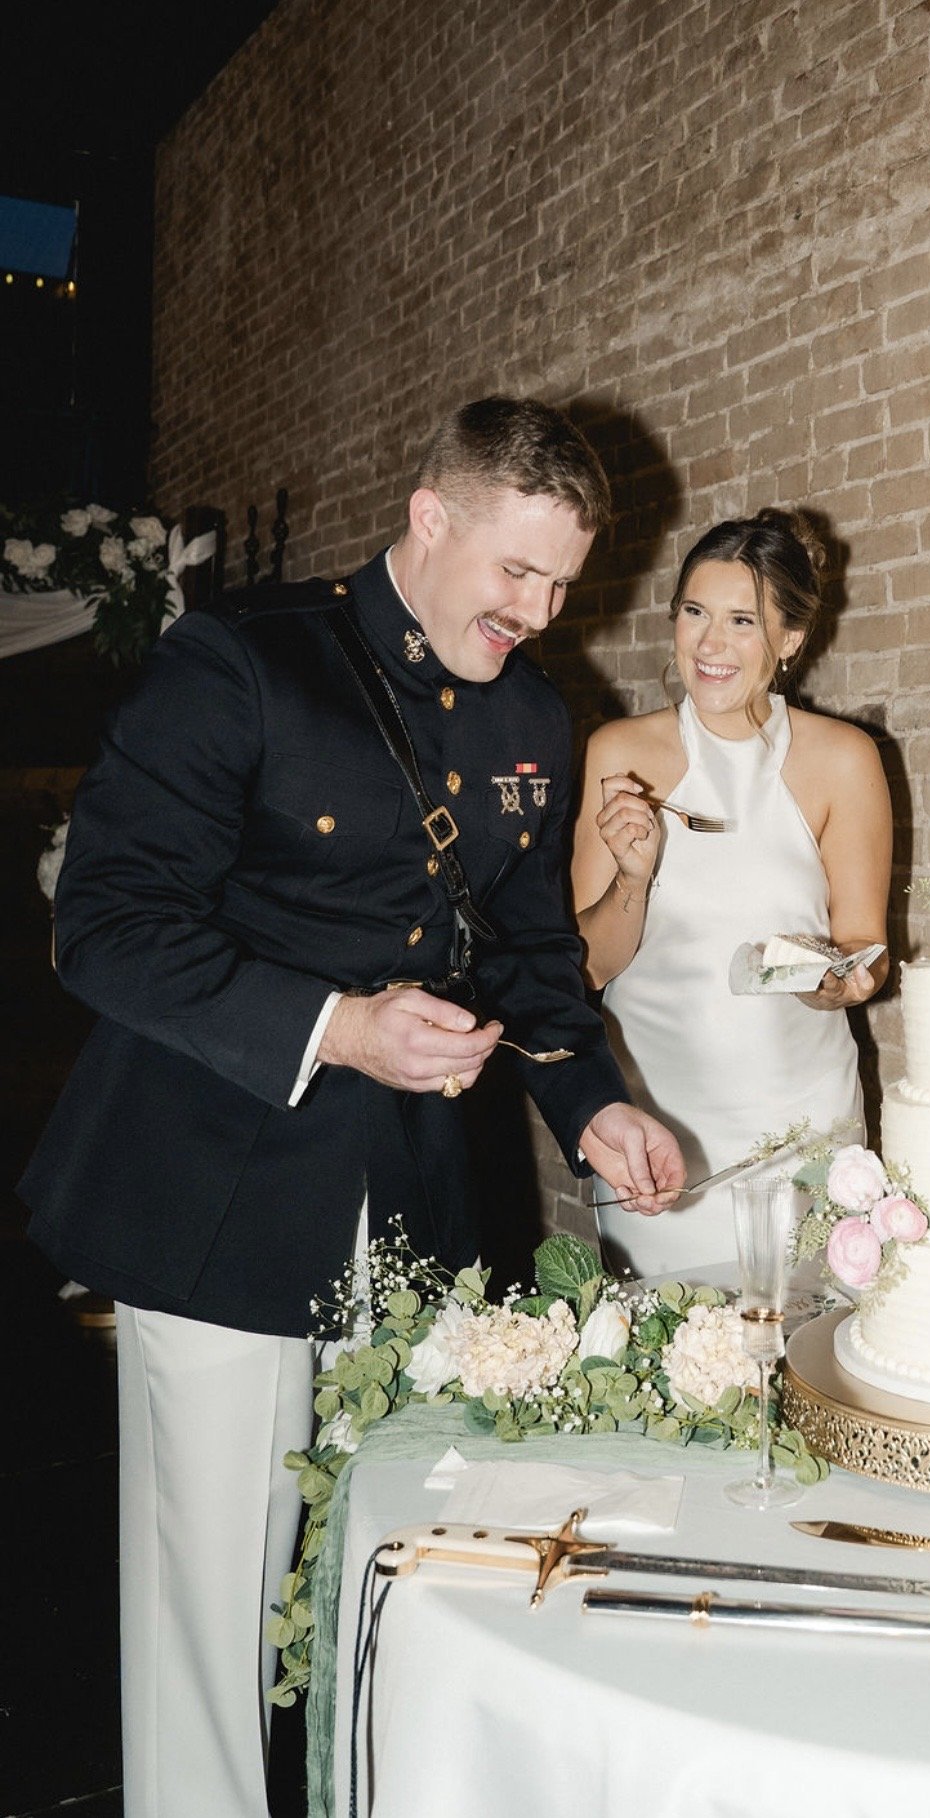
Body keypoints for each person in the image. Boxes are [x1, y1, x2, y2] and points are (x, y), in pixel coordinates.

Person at [18, 397, 684, 1818]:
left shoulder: (531, 711)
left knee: (392, 1550)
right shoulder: (244, 663)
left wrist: (592, 1106)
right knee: (218, 1588)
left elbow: (526, 952)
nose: (539, 609)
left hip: (426, 1197)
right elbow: (107, 923)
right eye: (517, 571)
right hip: (216, 1190)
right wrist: (339, 1026)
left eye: (563, 583)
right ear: (429, 517)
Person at [571, 507, 892, 1278]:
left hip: (803, 1128)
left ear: (789, 641)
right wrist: (633, 876)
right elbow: (583, 967)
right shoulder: (618, 753)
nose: (710, 645)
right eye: (694, 613)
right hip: (659, 1140)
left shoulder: (844, 760)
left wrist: (834, 982)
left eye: (742, 621)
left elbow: (864, 949)